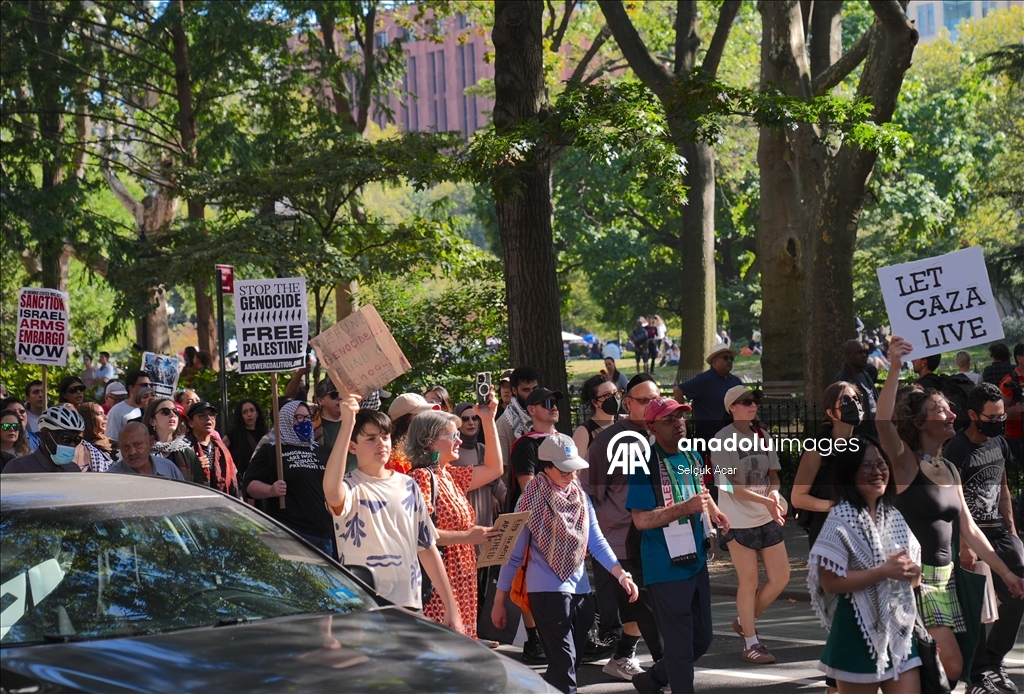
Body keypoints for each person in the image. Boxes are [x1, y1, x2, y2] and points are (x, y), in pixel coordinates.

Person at [877, 336, 1024, 684]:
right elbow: (883, 422)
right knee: (950, 665)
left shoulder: (948, 468)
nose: (952, 415)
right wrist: (895, 367)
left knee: (944, 670)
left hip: (948, 580)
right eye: (942, 410)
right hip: (915, 581)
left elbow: (970, 530)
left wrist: (1006, 574)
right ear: (918, 422)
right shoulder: (905, 464)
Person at [493, 434, 639, 694]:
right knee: (564, 663)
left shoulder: (580, 496)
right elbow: (513, 555)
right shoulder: (529, 499)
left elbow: (596, 541)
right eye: (564, 470)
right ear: (546, 467)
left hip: (581, 591)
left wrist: (621, 574)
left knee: (569, 661)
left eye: (574, 469)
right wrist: (498, 601)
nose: (571, 476)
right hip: (546, 591)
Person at [323, 397, 461, 629]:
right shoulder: (349, 487)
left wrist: (452, 607)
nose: (381, 444)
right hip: (363, 605)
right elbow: (331, 492)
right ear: (353, 446)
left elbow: (427, 547)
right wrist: (347, 424)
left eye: (385, 437)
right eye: (371, 439)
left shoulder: (409, 485)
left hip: (408, 603)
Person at [627, 398, 731, 694]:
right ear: (652, 428)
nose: (678, 423)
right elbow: (641, 520)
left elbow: (701, 491)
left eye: (681, 417)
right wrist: (684, 508)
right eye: (669, 420)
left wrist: (715, 511)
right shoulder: (643, 464)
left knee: (702, 639)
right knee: (680, 645)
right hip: (665, 566)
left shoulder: (692, 456)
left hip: (696, 560)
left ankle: (652, 680)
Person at [808, 438, 923, 693]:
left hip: (899, 630)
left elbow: (914, 579)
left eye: (881, 464)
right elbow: (831, 583)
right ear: (850, 473)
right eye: (867, 466)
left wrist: (914, 573)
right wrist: (883, 572)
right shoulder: (840, 518)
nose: (877, 471)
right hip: (855, 631)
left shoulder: (894, 516)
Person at [583, 373, 665, 679]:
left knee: (639, 607)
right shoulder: (607, 441)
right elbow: (588, 492)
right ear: (628, 403)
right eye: (645, 401)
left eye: (657, 399)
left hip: (657, 536)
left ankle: (622, 657)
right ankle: (668, 669)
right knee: (646, 606)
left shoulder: (663, 435)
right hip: (621, 539)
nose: (652, 405)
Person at [944, 383, 1024, 694]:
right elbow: (952, 501)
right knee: (976, 606)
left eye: (1002, 415)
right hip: (970, 537)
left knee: (1018, 591)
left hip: (1000, 533)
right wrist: (964, 545)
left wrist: (1012, 530)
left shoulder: (999, 442)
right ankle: (977, 677)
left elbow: (1003, 488)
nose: (999, 421)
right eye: (992, 417)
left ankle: (994, 660)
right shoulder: (957, 448)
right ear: (974, 415)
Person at [407, 400, 504, 640]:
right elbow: (422, 536)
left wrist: (488, 419)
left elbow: (495, 469)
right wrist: (467, 536)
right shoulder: (420, 477)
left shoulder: (449, 475)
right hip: (440, 584)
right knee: (445, 648)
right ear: (429, 441)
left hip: (464, 580)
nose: (459, 441)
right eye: (452, 436)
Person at [714, 385, 788, 664]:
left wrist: (774, 495)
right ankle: (751, 643)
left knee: (781, 578)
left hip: (766, 515)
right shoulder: (722, 439)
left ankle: (743, 621)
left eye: (754, 400)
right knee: (749, 581)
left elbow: (774, 476)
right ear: (731, 407)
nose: (752, 405)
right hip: (738, 519)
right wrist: (765, 501)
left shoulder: (762, 436)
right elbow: (724, 483)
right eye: (745, 402)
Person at [244, 400, 334, 555]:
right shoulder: (272, 449)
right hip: (291, 532)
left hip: (324, 534)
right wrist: (270, 490)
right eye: (298, 417)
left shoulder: (320, 450)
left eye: (308, 417)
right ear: (285, 420)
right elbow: (249, 485)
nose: (305, 422)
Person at [792, 382, 865, 549]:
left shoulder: (864, 444)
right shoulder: (817, 448)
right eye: (845, 401)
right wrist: (838, 507)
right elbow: (798, 498)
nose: (854, 404)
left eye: (856, 399)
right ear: (831, 413)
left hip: (860, 528)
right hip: (827, 531)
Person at [452, 402, 506, 532]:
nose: (471, 422)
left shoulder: (482, 449)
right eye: (465, 419)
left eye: (475, 418)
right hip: (462, 519)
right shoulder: (452, 453)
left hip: (486, 515)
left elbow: (498, 484)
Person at [679, 343, 742, 439]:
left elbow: (747, 402)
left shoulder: (736, 381)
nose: (729, 361)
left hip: (734, 435)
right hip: (709, 437)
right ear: (714, 361)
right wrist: (682, 417)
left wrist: (757, 422)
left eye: (731, 358)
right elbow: (678, 390)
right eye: (725, 358)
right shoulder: (703, 380)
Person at [3, 406, 84, 474]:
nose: (72, 444)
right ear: (46, 436)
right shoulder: (17, 468)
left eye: (76, 440)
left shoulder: (74, 470)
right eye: (66, 438)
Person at [495, 365, 542, 482]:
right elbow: (501, 469)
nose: (532, 394)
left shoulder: (543, 412)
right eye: (526, 390)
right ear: (514, 391)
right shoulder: (504, 422)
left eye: (535, 389)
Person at [145, 397, 206, 484]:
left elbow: (200, 485)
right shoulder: (143, 451)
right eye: (165, 412)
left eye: (175, 411)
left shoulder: (188, 453)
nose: (172, 415)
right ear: (152, 421)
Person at [186, 400, 239, 497]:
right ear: (191, 423)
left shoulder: (221, 448)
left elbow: (233, 480)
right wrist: (193, 467)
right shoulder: (183, 447)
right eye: (202, 415)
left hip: (221, 501)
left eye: (212, 415)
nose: (208, 418)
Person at [107, 421, 184, 479]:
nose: (132, 452)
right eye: (126, 446)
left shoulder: (169, 468)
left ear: (150, 442)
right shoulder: (111, 478)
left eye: (137, 444)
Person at [384, 393, 440, 474]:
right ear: (403, 420)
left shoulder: (432, 452)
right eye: (420, 416)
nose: (427, 421)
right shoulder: (395, 462)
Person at [833, 340, 879, 437]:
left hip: (874, 430)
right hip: (859, 434)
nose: (864, 355)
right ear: (848, 355)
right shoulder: (842, 380)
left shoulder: (865, 374)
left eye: (865, 352)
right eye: (859, 353)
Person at [572, 374, 619, 455]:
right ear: (595, 402)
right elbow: (577, 462)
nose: (614, 398)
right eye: (607, 395)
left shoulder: (621, 427)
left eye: (616, 393)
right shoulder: (584, 432)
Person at [997, 342, 1024, 484]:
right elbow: (1000, 411)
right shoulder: (1009, 381)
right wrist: (1016, 409)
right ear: (1019, 358)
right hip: (1016, 436)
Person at [223, 398, 267, 477]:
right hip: (242, 478)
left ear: (257, 413)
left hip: (263, 477)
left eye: (252, 410)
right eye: (244, 412)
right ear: (241, 416)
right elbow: (220, 452)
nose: (249, 414)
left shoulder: (265, 435)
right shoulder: (233, 434)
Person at [104, 370, 152, 440]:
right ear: (131, 388)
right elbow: (111, 440)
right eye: (144, 385)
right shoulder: (116, 412)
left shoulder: (151, 410)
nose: (148, 388)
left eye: (150, 385)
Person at [75, 403, 115, 472]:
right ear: (88, 418)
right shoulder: (82, 447)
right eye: (99, 414)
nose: (106, 417)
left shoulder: (110, 443)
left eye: (104, 413)